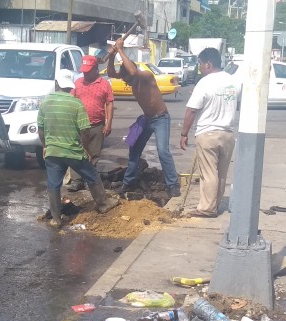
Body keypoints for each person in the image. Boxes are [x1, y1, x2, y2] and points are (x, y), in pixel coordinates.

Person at [37, 70, 119, 227]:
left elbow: (40, 129)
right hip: (73, 151)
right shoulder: (76, 103)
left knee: (53, 184)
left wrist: (45, 145)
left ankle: (56, 218)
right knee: (92, 175)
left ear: (56, 84)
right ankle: (103, 204)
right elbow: (85, 131)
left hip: (53, 151)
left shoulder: (45, 103)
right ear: (70, 86)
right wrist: (86, 149)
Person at [107, 37, 180, 197]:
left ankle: (173, 185)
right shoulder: (130, 77)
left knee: (163, 152)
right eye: (125, 79)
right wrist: (112, 56)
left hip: (161, 118)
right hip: (147, 119)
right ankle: (129, 182)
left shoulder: (145, 75)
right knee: (134, 149)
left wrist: (120, 49)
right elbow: (111, 73)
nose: (127, 82)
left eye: (128, 80)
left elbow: (132, 72)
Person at [179, 47, 239, 218]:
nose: (199, 68)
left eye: (200, 64)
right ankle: (215, 204)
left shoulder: (204, 82)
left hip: (208, 134)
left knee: (208, 173)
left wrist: (184, 134)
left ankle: (206, 208)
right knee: (221, 173)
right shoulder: (231, 81)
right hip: (227, 134)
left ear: (208, 64)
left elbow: (191, 110)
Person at [64, 55, 114, 192]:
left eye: (88, 71)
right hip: (79, 126)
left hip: (97, 125)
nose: (85, 74)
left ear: (96, 70)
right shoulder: (78, 83)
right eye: (84, 71)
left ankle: (89, 179)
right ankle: (76, 180)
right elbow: (71, 102)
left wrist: (108, 123)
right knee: (77, 152)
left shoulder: (104, 84)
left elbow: (109, 104)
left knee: (94, 153)